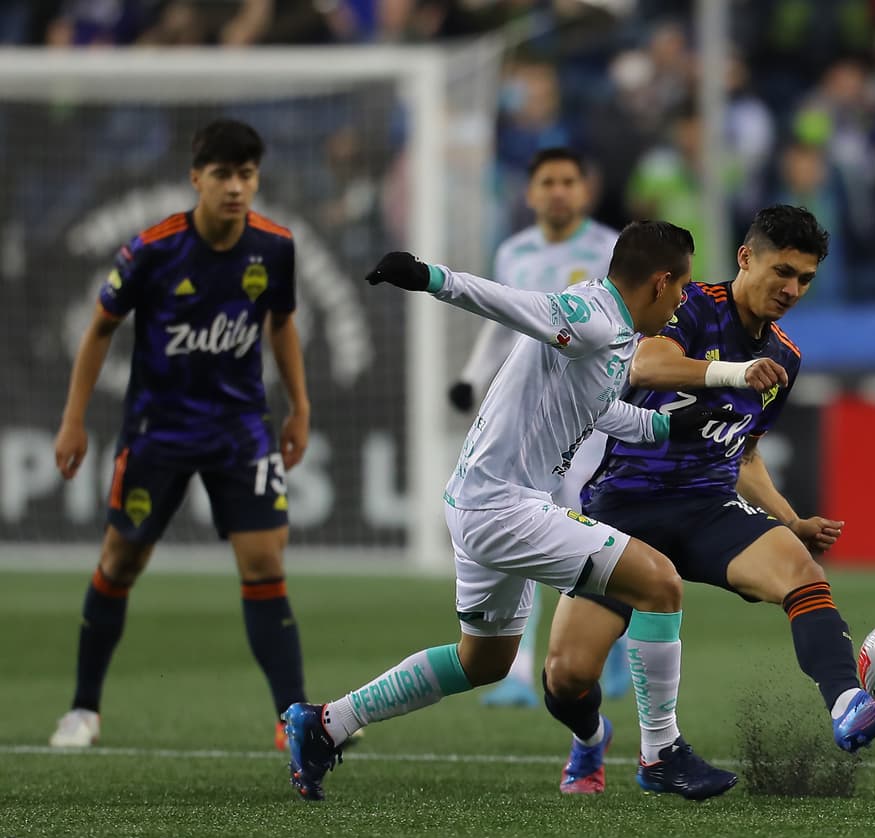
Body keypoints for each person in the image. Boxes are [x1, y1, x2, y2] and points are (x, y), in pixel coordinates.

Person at [282, 221, 744, 802]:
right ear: (658, 282)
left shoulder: (615, 334)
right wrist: (429, 277)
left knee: (485, 660)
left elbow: (597, 411)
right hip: (504, 507)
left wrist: (670, 426)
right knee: (659, 581)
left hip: (480, 502)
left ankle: (327, 724)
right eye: (681, 288)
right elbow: (510, 304)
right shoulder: (587, 314)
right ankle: (660, 753)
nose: (682, 303)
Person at [540, 205, 875, 795]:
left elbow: (743, 453)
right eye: (783, 272)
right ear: (747, 258)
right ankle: (590, 738)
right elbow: (647, 362)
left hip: (706, 507)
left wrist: (791, 519)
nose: (792, 289)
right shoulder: (691, 304)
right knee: (567, 677)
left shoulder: (786, 357)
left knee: (802, 572)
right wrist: (734, 374)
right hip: (626, 506)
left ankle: (847, 702)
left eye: (806, 279)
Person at [49, 119, 312, 750]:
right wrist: (72, 418)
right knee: (122, 559)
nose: (235, 187)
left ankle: (293, 720)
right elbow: (100, 329)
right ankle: (83, 709)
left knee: (264, 559)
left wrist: (300, 404)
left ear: (257, 179)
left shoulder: (275, 246)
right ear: (197, 178)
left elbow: (281, 325)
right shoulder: (152, 250)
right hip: (159, 431)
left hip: (241, 430)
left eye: (246, 175)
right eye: (222, 174)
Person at [448, 146, 630, 707]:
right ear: (530, 194)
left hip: (587, 414)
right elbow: (501, 323)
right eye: (547, 181)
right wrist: (471, 376)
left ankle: (606, 648)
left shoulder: (609, 249)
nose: (557, 191)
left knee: (579, 524)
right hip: (529, 416)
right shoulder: (513, 252)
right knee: (533, 529)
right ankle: (522, 670)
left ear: (585, 190)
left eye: (568, 181)